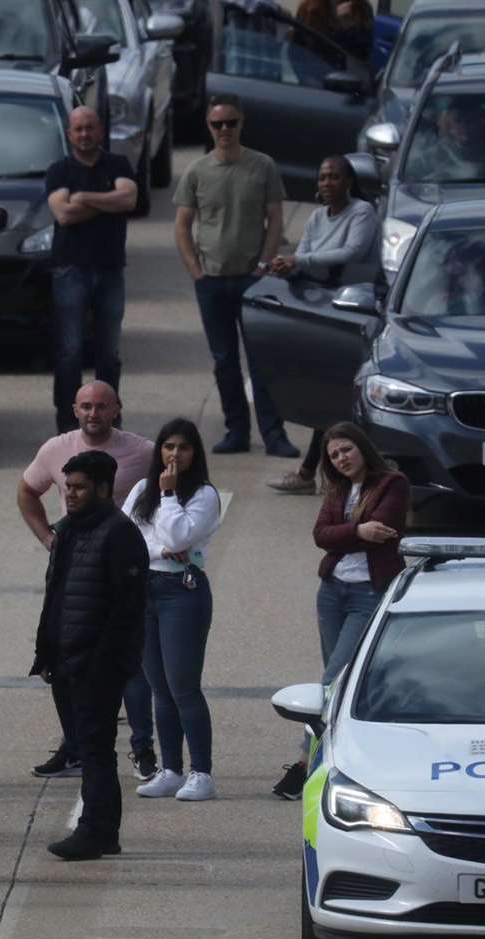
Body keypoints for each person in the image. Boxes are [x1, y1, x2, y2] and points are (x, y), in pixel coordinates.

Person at [17, 381, 156, 780]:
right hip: (72, 565)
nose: (93, 414)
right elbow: (27, 492)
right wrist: (47, 538)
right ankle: (74, 745)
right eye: (85, 407)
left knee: (126, 660)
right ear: (74, 410)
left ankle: (142, 747)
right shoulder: (55, 449)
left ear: (117, 410)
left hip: (121, 565)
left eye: (101, 406)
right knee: (64, 656)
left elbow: (174, 492)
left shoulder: (144, 452)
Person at [273, 422, 410, 799]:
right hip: (331, 593)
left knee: (329, 685)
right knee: (335, 685)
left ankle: (304, 766)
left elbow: (385, 527)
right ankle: (334, 758)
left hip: (367, 594)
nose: (341, 458)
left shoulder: (392, 483)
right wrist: (360, 531)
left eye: (346, 449)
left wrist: (350, 531)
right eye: (334, 455)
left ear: (362, 447)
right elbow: (320, 536)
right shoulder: (336, 489)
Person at [31, 451, 148, 861]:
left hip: (96, 666)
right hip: (65, 662)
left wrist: (104, 665)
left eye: (80, 488)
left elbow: (126, 611)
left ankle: (93, 830)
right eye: (68, 488)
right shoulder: (67, 531)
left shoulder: (120, 535)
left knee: (95, 749)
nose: (72, 495)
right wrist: (46, 651)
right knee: (87, 746)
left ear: (103, 488)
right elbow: (57, 598)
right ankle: (105, 832)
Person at [173, 94, 295, 458]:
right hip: (212, 281)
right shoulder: (197, 171)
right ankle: (236, 431)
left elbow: (276, 218)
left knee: (261, 359)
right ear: (209, 127)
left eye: (231, 123)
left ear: (241, 124)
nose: (225, 130)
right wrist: (196, 271)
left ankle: (275, 435)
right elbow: (182, 226)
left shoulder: (263, 166)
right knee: (225, 359)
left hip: (252, 279)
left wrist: (264, 264)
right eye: (217, 124)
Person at [121, 420, 224, 802]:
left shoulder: (203, 495)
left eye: (183, 447)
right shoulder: (141, 489)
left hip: (182, 590)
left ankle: (201, 772)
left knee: (183, 685)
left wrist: (168, 498)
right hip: (144, 589)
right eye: (168, 446)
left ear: (194, 453)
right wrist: (159, 551)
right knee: (158, 687)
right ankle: (171, 768)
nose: (174, 454)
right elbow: (129, 538)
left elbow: (180, 537)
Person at [266, 156, 378, 496]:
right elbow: (307, 254)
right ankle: (317, 472)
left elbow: (351, 251)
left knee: (347, 394)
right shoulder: (316, 216)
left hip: (356, 308)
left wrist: (299, 260)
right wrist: (289, 267)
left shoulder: (362, 212)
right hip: (322, 309)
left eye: (334, 177)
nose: (326, 183)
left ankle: (318, 472)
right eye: (322, 177)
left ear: (348, 181)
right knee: (327, 393)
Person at [45, 107, 139, 434]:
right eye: (78, 129)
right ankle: (68, 424)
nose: (84, 134)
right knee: (69, 353)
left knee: (109, 354)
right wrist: (106, 203)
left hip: (111, 270)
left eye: (90, 128)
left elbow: (129, 199)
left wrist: (84, 196)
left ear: (100, 131)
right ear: (69, 134)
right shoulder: (59, 170)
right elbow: (64, 215)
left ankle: (109, 419)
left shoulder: (118, 164)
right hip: (70, 271)